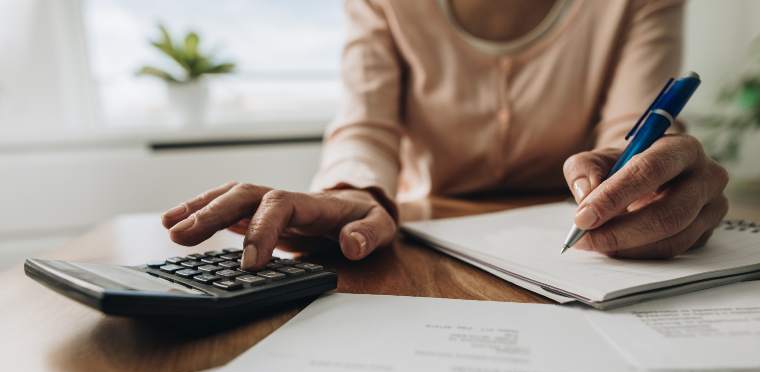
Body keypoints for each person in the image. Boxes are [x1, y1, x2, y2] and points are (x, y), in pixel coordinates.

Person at [161, 0, 729, 271]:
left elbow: (634, 128)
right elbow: (366, 126)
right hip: (427, 248)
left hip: (579, 250)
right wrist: (352, 191)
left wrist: (646, 171)